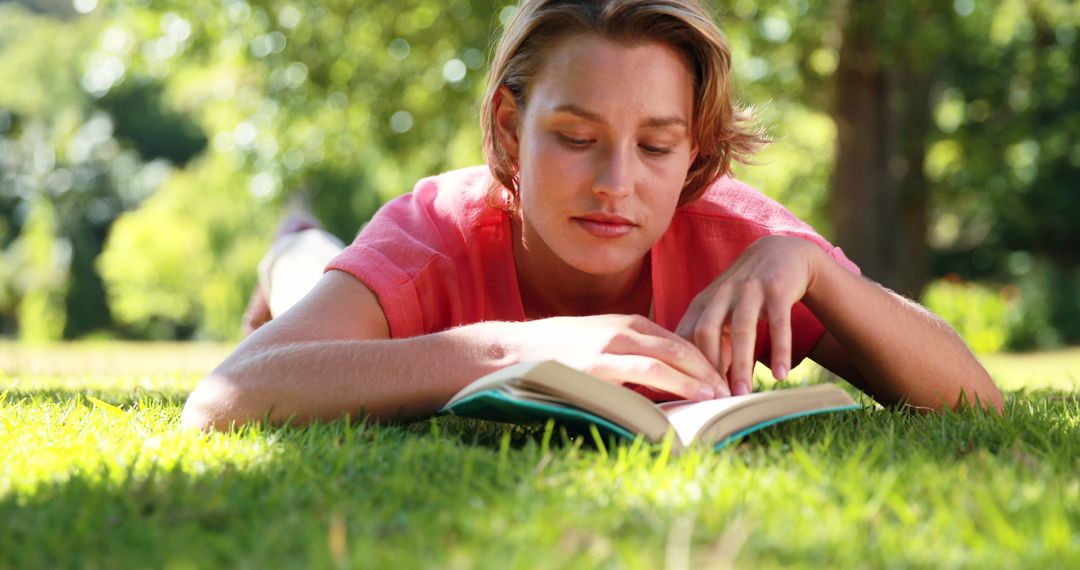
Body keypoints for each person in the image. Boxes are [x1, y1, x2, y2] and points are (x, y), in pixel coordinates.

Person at [181, 0, 1002, 431]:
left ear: (693, 152)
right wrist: (517, 350)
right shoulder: (431, 232)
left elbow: (977, 404)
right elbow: (225, 399)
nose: (617, 184)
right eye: (576, 138)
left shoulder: (738, 239)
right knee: (304, 275)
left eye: (655, 146)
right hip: (373, 283)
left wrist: (816, 269)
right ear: (511, 129)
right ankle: (291, 245)